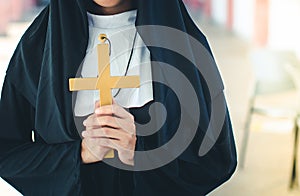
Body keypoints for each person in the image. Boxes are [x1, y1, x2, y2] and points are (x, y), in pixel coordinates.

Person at [0, 0, 237, 195]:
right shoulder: (38, 46)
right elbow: (7, 153)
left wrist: (140, 155)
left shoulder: (184, 46)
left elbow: (217, 160)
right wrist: (79, 154)